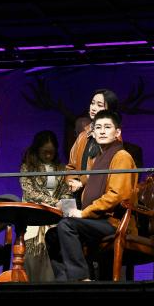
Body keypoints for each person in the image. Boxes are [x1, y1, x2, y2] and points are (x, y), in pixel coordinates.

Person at [47, 110, 136, 281]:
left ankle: (81, 279)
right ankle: (64, 281)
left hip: (113, 222)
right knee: (52, 235)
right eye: (98, 128)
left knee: (67, 226)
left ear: (117, 132)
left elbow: (116, 195)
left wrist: (83, 213)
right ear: (93, 133)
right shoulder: (99, 160)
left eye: (107, 127)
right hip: (97, 220)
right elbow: (88, 192)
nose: (102, 131)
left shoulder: (121, 157)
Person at [18, 130, 63, 282]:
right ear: (37, 149)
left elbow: (66, 191)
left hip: (55, 216)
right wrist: (53, 202)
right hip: (35, 214)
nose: (48, 156)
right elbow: (29, 192)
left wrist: (63, 203)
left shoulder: (61, 169)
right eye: (45, 152)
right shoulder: (28, 168)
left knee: (54, 255)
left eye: (51, 152)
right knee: (33, 255)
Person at [63, 88, 118, 201]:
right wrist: (73, 181)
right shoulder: (82, 136)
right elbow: (71, 166)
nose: (93, 108)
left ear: (109, 110)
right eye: (92, 103)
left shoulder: (112, 137)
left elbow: (104, 168)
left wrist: (81, 181)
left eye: (99, 105)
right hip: (79, 194)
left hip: (100, 197)